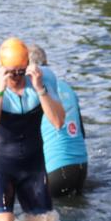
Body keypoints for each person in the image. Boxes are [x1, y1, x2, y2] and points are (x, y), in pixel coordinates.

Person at [0, 38, 64, 221]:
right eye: (11, 72)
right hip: (0, 165)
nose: (16, 77)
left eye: (21, 71)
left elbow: (58, 122)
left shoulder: (44, 77)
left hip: (33, 165)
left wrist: (40, 89)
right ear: (1, 66)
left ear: (28, 65)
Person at [27, 45, 89, 197]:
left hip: (55, 171)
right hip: (81, 168)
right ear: (46, 62)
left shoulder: (32, 92)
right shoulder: (67, 88)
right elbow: (82, 132)